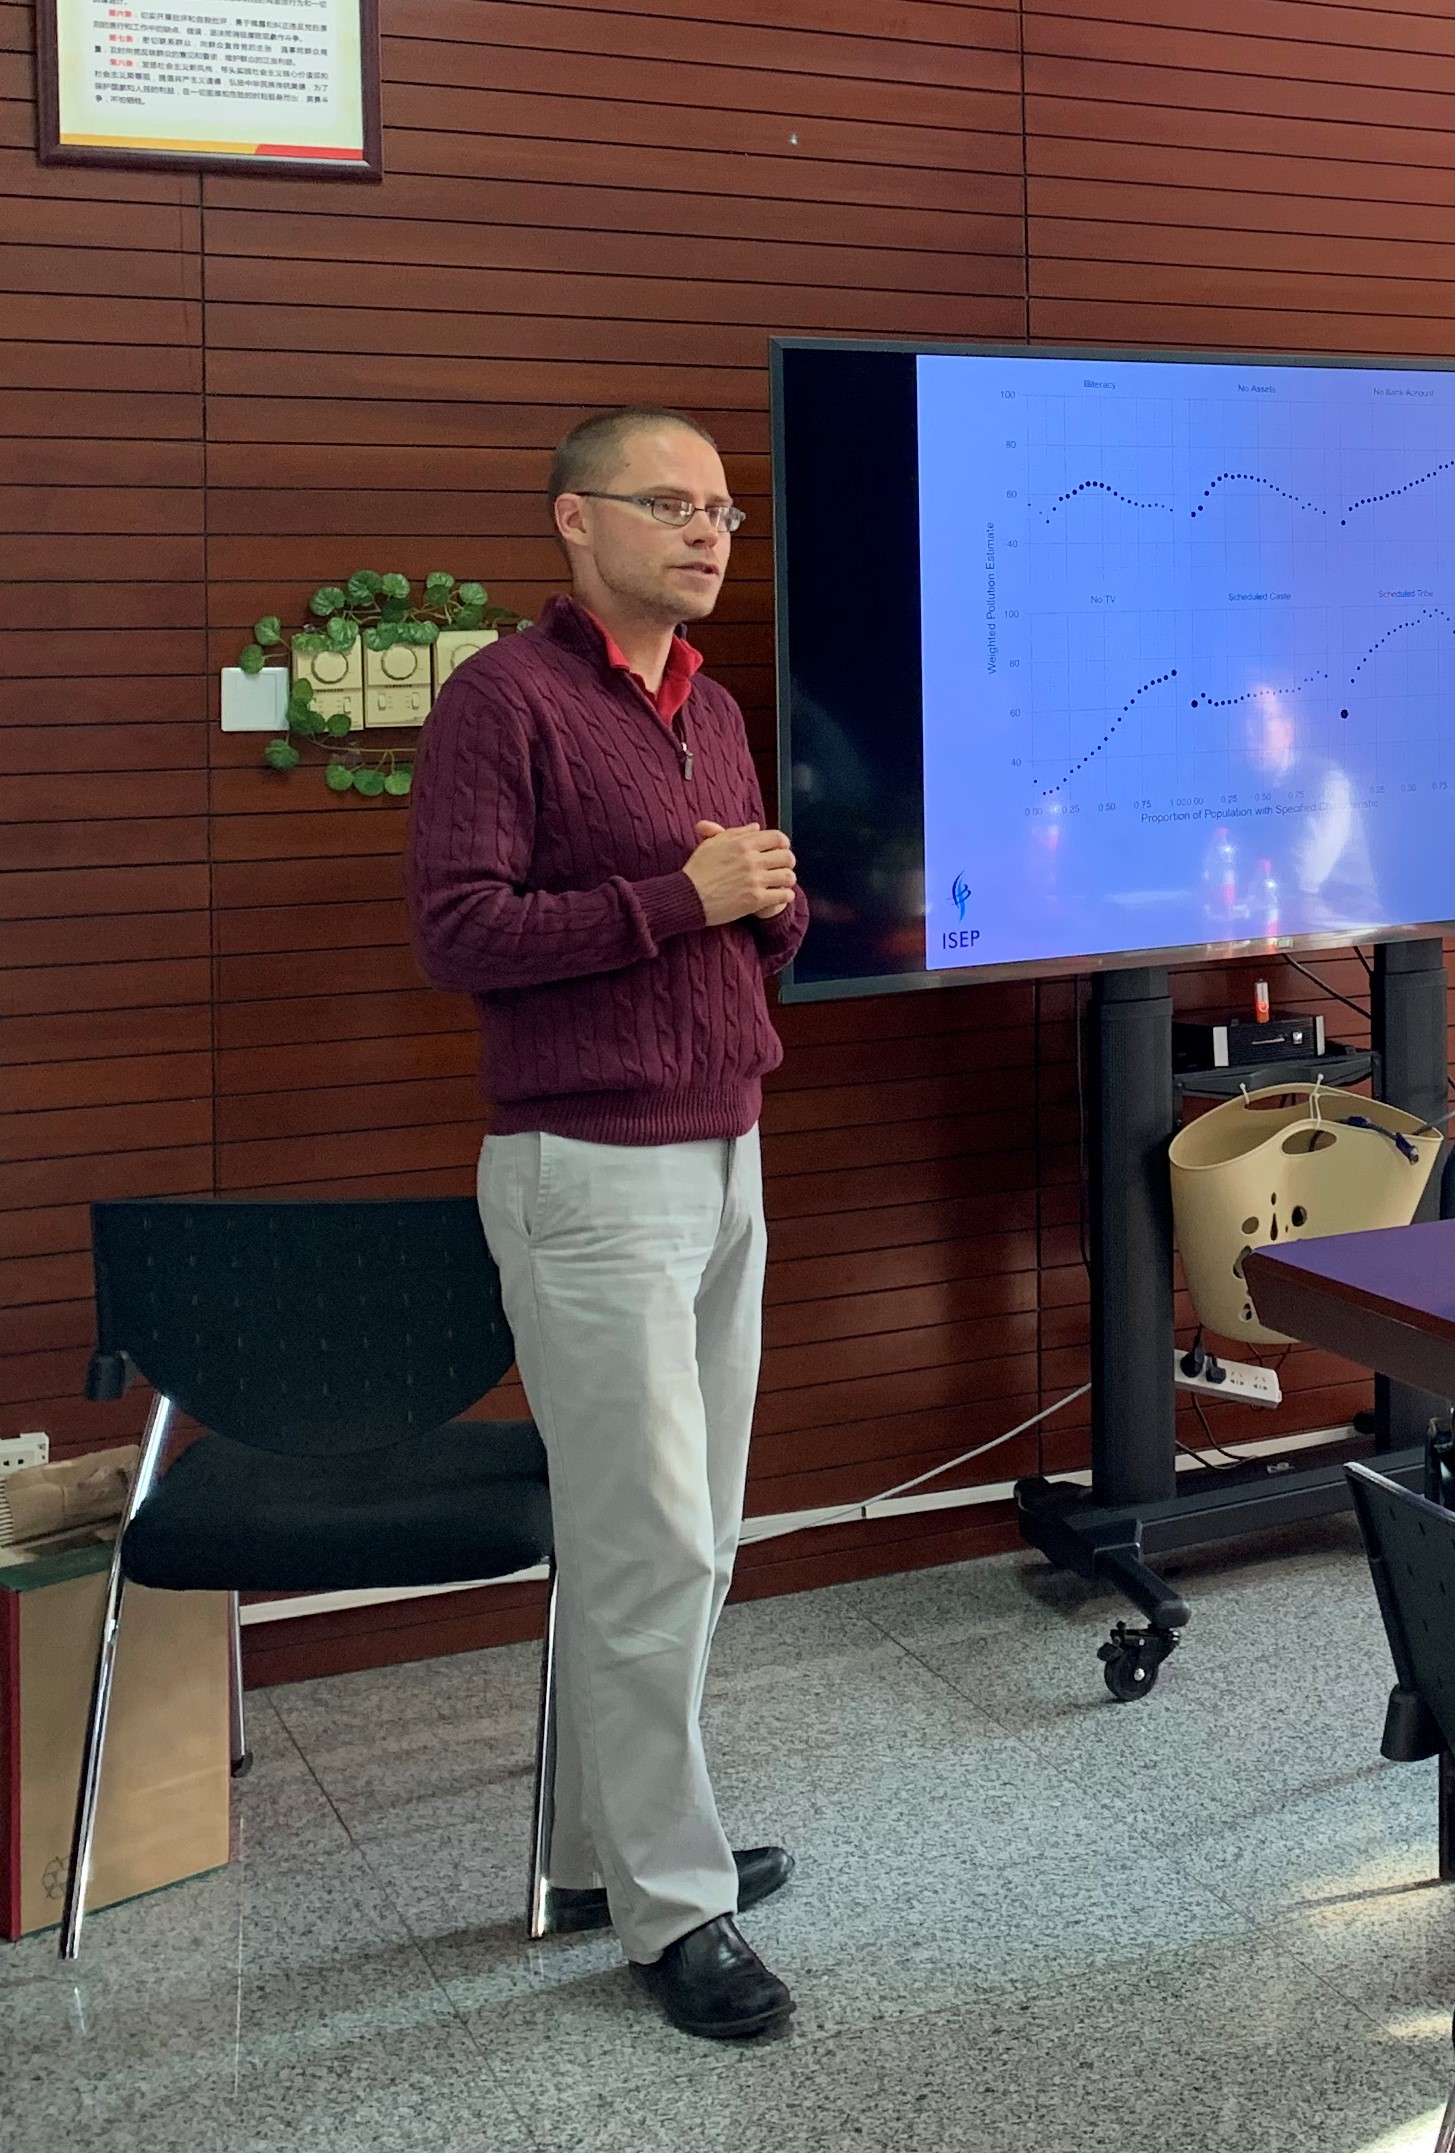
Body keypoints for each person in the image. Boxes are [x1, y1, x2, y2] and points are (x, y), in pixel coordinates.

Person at [405, 407, 807, 2040]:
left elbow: (742, 927)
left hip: (727, 1151)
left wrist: (767, 903)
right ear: (575, 519)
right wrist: (680, 899)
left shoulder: (713, 706)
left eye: (721, 510)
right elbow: (459, 931)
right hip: (587, 1170)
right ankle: (676, 1906)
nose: (708, 532)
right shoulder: (503, 698)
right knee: (651, 1547)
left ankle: (608, 1850)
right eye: (670, 503)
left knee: (691, 1536)